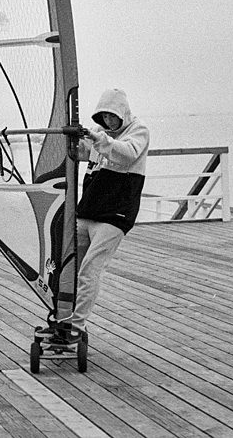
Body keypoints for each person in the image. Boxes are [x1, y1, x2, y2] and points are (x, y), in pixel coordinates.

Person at [65, 88, 149, 339]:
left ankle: (76, 327)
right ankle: (63, 318)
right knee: (68, 267)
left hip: (115, 215)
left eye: (113, 116)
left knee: (89, 271)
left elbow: (127, 154)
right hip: (89, 210)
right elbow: (82, 155)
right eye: (103, 118)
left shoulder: (138, 130)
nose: (109, 122)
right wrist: (75, 138)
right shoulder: (100, 134)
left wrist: (97, 138)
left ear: (122, 112)